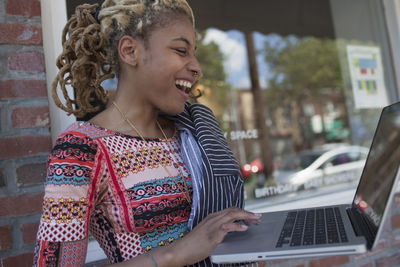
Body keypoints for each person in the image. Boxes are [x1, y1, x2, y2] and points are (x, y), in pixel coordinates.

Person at [33, 0, 262, 266]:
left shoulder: (191, 132)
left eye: (194, 52)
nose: (197, 66)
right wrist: (174, 253)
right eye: (181, 50)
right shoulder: (81, 150)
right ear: (130, 51)